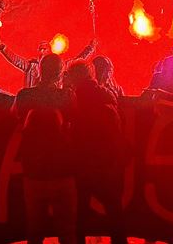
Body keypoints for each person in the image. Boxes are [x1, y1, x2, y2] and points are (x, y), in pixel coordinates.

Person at [12, 53, 78, 244]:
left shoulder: (25, 96)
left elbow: (12, 118)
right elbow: (78, 121)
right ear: (60, 74)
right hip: (63, 172)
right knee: (67, 232)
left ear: (40, 71)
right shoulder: (67, 96)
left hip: (34, 172)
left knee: (34, 231)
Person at [65, 60, 127, 244]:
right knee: (115, 211)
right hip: (106, 161)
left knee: (80, 214)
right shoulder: (106, 93)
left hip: (83, 161)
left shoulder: (73, 96)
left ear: (76, 77)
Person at [0, 37, 96, 88]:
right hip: (34, 102)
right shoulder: (31, 66)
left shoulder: (59, 65)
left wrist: (90, 48)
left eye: (45, 49)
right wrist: (2, 47)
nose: (42, 51)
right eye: (40, 49)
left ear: (50, 50)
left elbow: (78, 60)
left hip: (52, 102)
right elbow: (16, 60)